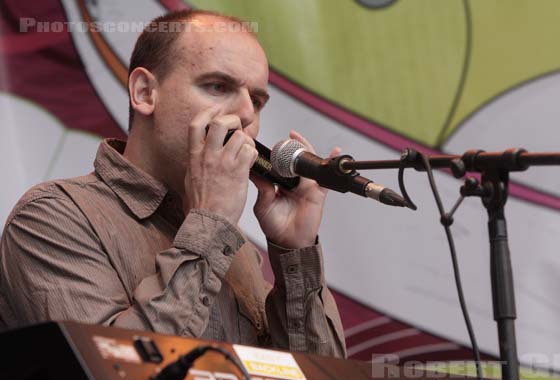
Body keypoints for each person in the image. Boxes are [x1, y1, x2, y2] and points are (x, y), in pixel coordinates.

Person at [0, 10, 346, 358]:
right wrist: (211, 222)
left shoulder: (236, 249)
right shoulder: (52, 218)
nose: (246, 115)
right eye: (218, 86)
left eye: (256, 101)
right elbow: (122, 373)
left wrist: (296, 252)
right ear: (145, 92)